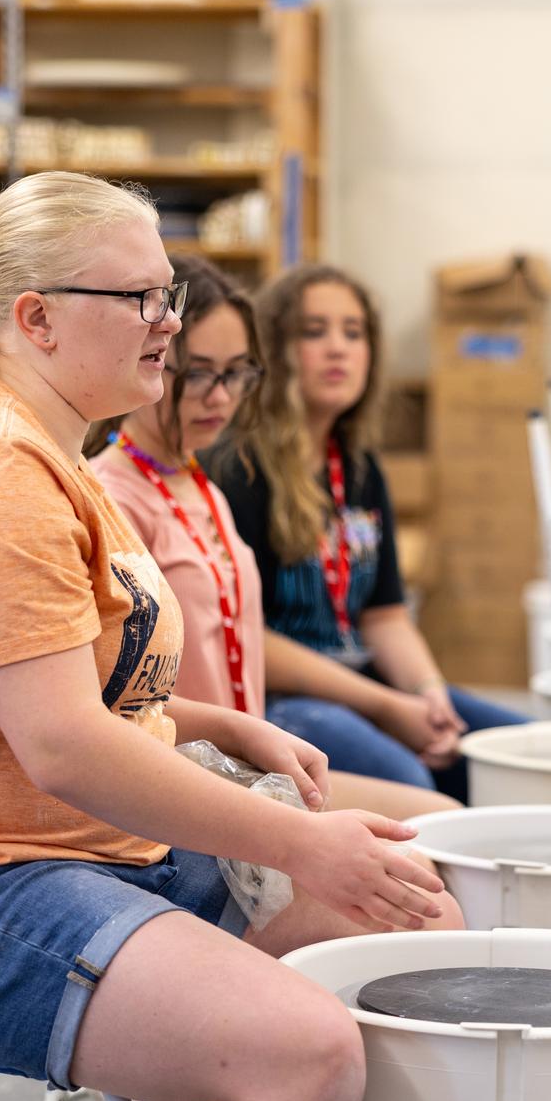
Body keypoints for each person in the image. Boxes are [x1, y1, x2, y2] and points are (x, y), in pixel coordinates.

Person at [0, 173, 458, 1101]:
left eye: (169, 296)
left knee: (422, 937)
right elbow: (66, 745)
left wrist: (226, 725)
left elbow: (87, 692)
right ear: (36, 318)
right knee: (310, 1054)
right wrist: (295, 843)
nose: (167, 324)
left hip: (90, 848)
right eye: (140, 300)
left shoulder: (58, 458)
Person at [86, 255, 459, 822]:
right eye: (200, 374)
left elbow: (379, 614)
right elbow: (117, 704)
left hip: (246, 763)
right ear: (150, 362)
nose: (220, 397)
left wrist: (424, 688)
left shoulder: (198, 483)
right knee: (421, 848)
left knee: (437, 821)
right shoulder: (115, 494)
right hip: (188, 780)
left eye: (236, 373)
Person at [208, 264, 528, 804]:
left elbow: (385, 616)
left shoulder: (358, 467)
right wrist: (385, 706)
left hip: (364, 676)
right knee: (407, 780)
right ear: (272, 350)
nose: (338, 349)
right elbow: (245, 637)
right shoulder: (238, 467)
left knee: (522, 750)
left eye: (353, 334)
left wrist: (427, 695)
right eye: (314, 332)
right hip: (279, 696)